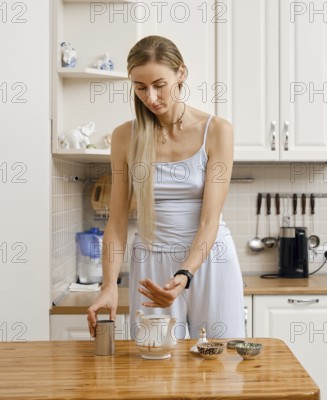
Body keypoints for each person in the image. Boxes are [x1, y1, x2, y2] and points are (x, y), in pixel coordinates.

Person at [87, 35, 245, 340]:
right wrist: (107, 287)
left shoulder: (216, 131)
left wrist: (185, 273)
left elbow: (209, 221)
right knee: (154, 364)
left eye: (160, 85)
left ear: (181, 74)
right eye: (140, 87)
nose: (151, 97)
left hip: (208, 259)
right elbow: (117, 223)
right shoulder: (125, 137)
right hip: (151, 262)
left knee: (220, 364)